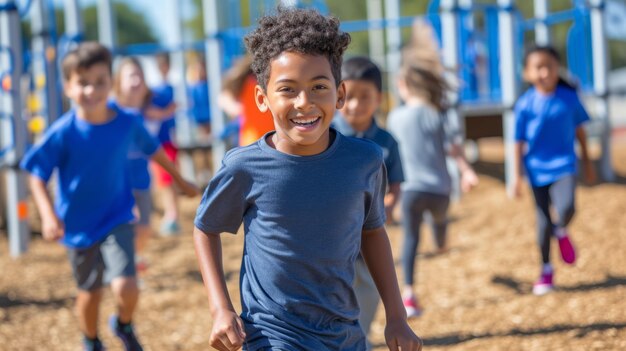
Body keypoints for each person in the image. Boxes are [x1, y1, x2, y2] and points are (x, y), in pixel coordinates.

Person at [193, 7, 422, 351]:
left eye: (318, 87)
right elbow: (205, 228)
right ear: (262, 98)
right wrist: (221, 309)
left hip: (346, 335)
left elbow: (373, 231)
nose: (305, 102)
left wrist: (396, 316)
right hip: (272, 336)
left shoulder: (365, 161)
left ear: (339, 94)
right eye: (287, 89)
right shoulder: (245, 166)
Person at [20, 42, 198, 351]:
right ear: (68, 88)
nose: (92, 90)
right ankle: (91, 339)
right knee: (90, 294)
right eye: (83, 83)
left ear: (110, 82)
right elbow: (35, 173)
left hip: (117, 215)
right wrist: (48, 215)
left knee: (126, 286)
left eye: (100, 81)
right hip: (77, 224)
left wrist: (181, 180)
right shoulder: (63, 132)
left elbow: (153, 149)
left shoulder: (126, 122)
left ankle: (123, 323)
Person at [387, 57, 479, 318]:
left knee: (411, 239)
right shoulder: (436, 114)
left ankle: (409, 293)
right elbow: (454, 149)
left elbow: (390, 157)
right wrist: (467, 171)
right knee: (439, 223)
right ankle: (440, 240)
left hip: (409, 190)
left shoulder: (395, 117)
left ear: (402, 85)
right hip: (439, 189)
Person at [333, 56, 404, 349]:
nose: (355, 105)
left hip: (371, 231)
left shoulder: (386, 141)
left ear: (379, 99)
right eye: (348, 97)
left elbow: (397, 182)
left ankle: (358, 335)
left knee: (371, 287)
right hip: (336, 235)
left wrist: (389, 202)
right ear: (338, 97)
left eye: (365, 97)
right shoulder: (328, 136)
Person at [513, 45, 596, 296]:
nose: (544, 72)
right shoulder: (525, 104)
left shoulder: (569, 99)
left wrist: (587, 161)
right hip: (536, 170)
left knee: (568, 206)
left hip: (564, 165)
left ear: (556, 69)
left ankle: (561, 229)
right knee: (542, 223)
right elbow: (517, 142)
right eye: (537, 67)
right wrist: (516, 176)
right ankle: (546, 269)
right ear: (527, 73)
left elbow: (580, 131)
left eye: (548, 66)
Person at [112, 56, 176, 270]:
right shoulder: (112, 110)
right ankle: (123, 264)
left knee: (145, 227)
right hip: (116, 179)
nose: (137, 80)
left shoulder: (149, 107)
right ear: (118, 82)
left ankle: (132, 257)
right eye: (131, 75)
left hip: (141, 177)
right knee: (124, 223)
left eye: (140, 75)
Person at [150, 53, 182, 236]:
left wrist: (161, 113)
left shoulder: (167, 89)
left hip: (166, 141)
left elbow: (167, 112)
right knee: (163, 181)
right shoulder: (155, 90)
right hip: (158, 141)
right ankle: (171, 215)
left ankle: (172, 215)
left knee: (167, 180)